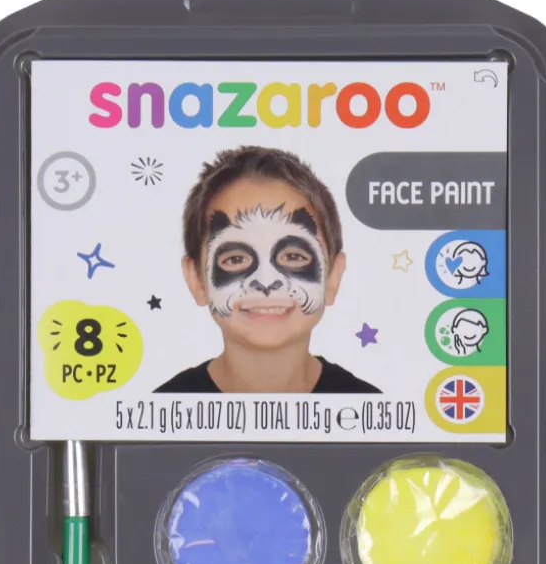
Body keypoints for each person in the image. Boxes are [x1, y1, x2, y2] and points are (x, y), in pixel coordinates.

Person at [156, 146, 381, 394]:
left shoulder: (367, 409)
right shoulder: (162, 411)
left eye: (293, 256)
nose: (265, 282)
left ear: (333, 278)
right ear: (197, 280)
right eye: (235, 259)